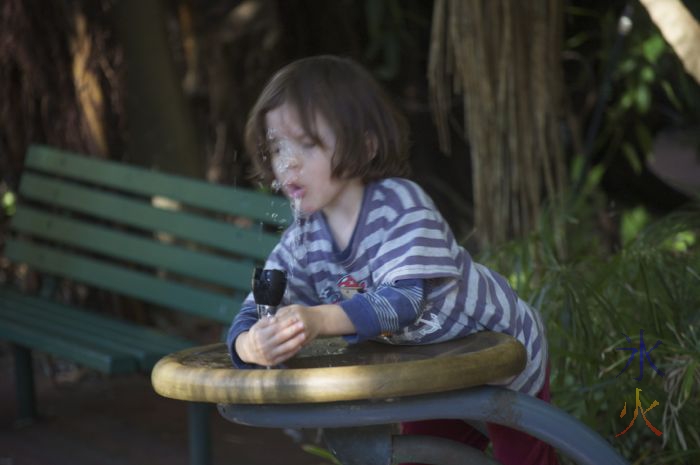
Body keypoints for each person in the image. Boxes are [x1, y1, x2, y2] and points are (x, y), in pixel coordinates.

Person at [227, 55, 558, 465]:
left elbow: (401, 303)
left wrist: (318, 320)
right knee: (423, 458)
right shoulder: (304, 238)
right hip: (434, 371)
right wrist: (251, 343)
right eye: (277, 146)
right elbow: (256, 307)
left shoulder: (401, 205)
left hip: (503, 354)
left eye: (307, 144)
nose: (287, 162)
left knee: (522, 460)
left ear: (365, 146)